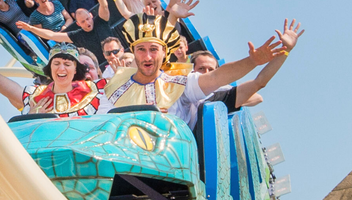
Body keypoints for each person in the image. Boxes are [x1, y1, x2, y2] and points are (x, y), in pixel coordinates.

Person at [103, 13, 286, 128]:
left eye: (153, 49)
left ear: (164, 52)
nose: (147, 57)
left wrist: (252, 61)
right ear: (133, 52)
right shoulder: (115, 86)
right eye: (141, 50)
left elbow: (216, 78)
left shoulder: (179, 81)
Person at [0, 42, 105, 117]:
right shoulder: (37, 95)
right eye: (56, 64)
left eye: (67, 64)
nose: (61, 69)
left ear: (75, 70)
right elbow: (12, 90)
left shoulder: (99, 89)